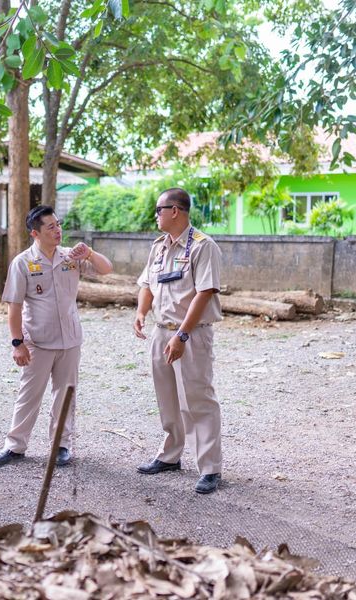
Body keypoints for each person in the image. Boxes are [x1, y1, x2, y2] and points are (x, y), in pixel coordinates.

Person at [0, 205, 113, 467]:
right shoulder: (22, 262)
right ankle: (15, 446)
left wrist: (89, 253)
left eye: (58, 225)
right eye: (51, 227)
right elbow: (14, 306)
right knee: (29, 394)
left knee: (65, 394)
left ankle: (61, 445)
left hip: (70, 339)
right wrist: (17, 343)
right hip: (37, 341)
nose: (58, 230)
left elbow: (106, 269)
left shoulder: (71, 257)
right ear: (35, 233)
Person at [133, 188, 224, 494]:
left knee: (197, 399)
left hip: (190, 334)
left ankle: (210, 468)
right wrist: (141, 312)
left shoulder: (202, 246)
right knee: (167, 398)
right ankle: (170, 456)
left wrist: (182, 335)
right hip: (160, 331)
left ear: (176, 211)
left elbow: (205, 292)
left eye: (159, 209)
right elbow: (148, 283)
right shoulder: (159, 247)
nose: (155, 215)